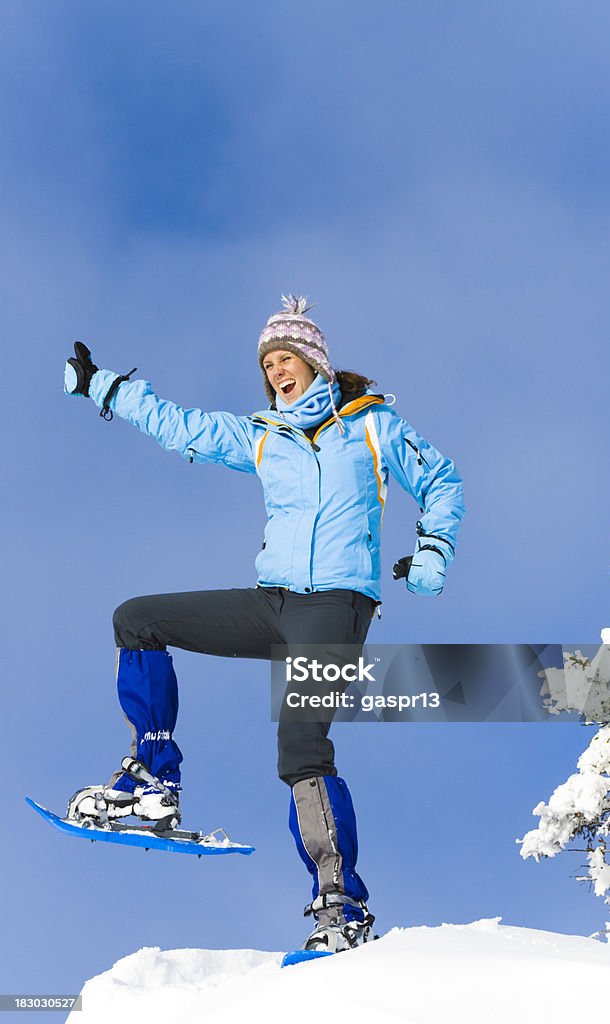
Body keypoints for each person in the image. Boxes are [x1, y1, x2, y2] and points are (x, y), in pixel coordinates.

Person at [63, 295, 465, 954]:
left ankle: (340, 903)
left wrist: (431, 552)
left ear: (313, 361)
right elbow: (182, 426)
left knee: (300, 748)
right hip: (273, 603)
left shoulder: (371, 424)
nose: (277, 371)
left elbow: (441, 480)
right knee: (137, 619)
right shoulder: (262, 434)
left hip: (335, 607)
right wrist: (104, 387)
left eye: (286, 359)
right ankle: (153, 780)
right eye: (268, 363)